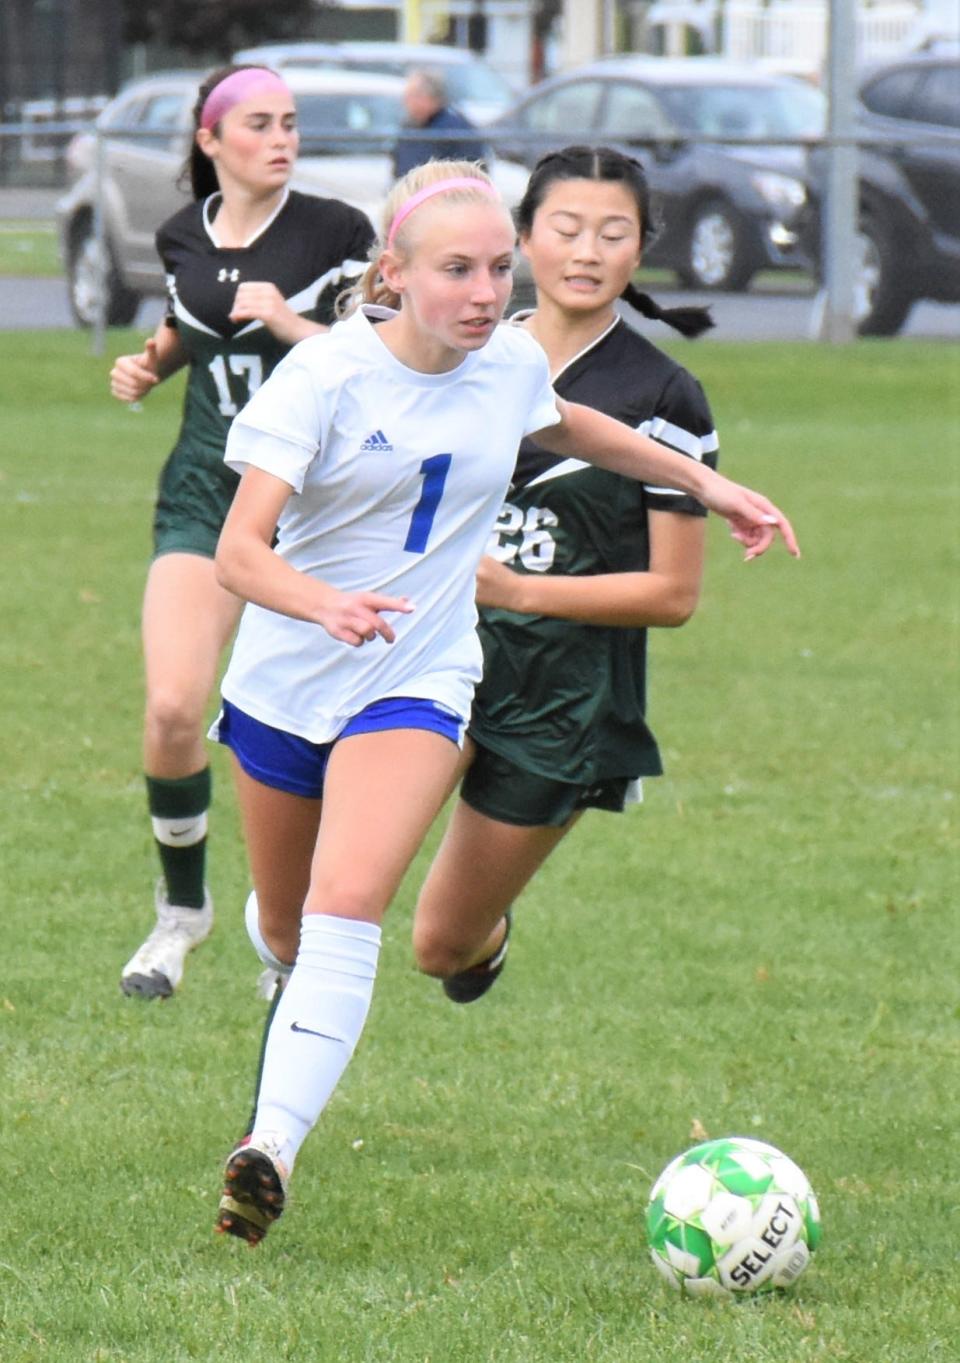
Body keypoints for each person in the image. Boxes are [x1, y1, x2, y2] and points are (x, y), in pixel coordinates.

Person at [208, 158, 798, 1247]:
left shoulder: (509, 360)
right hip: (287, 679)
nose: (486, 292)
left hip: (420, 678)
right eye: (457, 271)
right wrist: (322, 600)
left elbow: (574, 425)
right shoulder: (325, 379)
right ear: (393, 274)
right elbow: (240, 555)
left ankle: (269, 1149)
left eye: (494, 268)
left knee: (348, 908)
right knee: (286, 924)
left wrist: (710, 484)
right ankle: (274, 971)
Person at [411, 145, 727, 1004]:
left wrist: (516, 589)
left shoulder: (664, 397)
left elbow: (673, 594)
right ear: (522, 240)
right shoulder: (460, 353)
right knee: (344, 884)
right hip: (434, 661)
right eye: (567, 229)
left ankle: (487, 936)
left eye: (613, 233)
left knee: (440, 944)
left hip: (564, 695)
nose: (588, 252)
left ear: (640, 249)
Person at [108, 64, 375, 1000]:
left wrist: (293, 322)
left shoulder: (338, 232)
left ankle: (287, 941)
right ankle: (181, 916)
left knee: (301, 728)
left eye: (291, 122)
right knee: (177, 708)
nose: (281, 138)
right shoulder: (184, 231)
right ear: (210, 141)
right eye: (258, 124)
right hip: (202, 492)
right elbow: (195, 321)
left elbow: (382, 358)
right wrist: (153, 363)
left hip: (312, 508)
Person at [391, 67, 488, 179]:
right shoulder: (409, 126)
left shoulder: (455, 129)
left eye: (411, 95)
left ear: (429, 98)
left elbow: (471, 173)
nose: (405, 101)